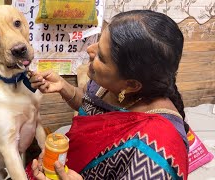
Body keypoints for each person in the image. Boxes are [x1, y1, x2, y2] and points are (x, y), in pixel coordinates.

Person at [28, 10, 189, 180]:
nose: (90, 50)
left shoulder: (157, 152)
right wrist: (64, 87)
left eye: (101, 57)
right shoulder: (107, 84)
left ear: (131, 84)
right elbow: (89, 106)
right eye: (98, 42)